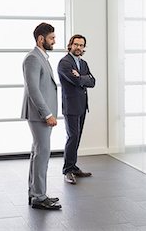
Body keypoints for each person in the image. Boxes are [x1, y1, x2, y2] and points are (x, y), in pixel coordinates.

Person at [21, 22, 61, 210]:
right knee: (42, 153)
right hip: (40, 115)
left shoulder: (41, 57)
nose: (54, 41)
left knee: (38, 153)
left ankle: (35, 193)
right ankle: (39, 196)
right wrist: (47, 114)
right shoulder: (33, 58)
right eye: (52, 38)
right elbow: (33, 90)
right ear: (41, 39)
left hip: (41, 115)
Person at [58, 34, 96, 184]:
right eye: (76, 44)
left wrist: (81, 77)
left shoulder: (83, 63)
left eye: (81, 45)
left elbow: (93, 81)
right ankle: (67, 170)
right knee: (72, 137)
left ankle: (73, 167)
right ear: (70, 45)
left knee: (77, 137)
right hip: (71, 106)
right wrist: (82, 78)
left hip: (82, 105)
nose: (78, 47)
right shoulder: (64, 63)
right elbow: (74, 80)